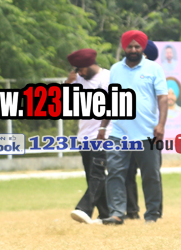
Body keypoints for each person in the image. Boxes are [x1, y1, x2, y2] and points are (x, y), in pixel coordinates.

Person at [98, 30, 168, 224]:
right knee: (114, 172)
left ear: (142, 48)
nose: (134, 50)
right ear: (124, 48)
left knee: (151, 175)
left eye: (137, 46)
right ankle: (117, 213)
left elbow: (163, 98)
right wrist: (102, 128)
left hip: (148, 133)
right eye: (130, 46)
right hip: (119, 132)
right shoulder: (115, 69)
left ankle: (152, 214)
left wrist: (161, 124)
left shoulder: (154, 69)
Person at [67, 49, 112, 224]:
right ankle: (106, 214)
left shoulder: (106, 77)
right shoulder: (77, 80)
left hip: (102, 134)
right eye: (77, 70)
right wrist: (68, 82)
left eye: (81, 69)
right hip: (84, 135)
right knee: (92, 175)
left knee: (97, 173)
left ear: (90, 64)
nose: (79, 73)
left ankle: (84, 209)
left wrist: (103, 128)